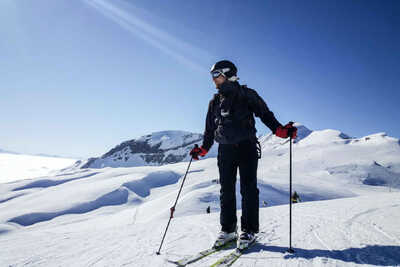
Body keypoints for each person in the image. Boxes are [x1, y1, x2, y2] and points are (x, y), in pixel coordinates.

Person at [190, 60, 297, 250]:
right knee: (226, 190)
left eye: (216, 75)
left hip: (246, 147)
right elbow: (209, 131)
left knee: (248, 189)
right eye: (212, 76)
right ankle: (229, 230)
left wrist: (280, 130)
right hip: (225, 150)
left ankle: (249, 230)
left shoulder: (247, 94)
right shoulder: (214, 102)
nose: (213, 79)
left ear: (228, 74)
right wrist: (204, 149)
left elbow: (265, 114)